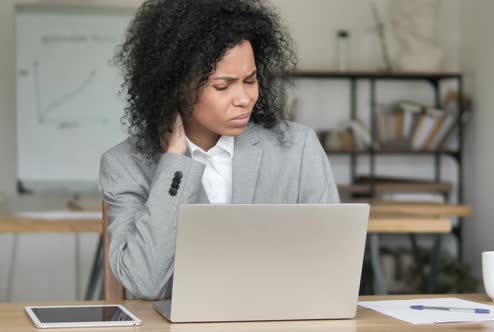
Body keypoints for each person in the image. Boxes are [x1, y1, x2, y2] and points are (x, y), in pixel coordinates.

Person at [99, 0, 339, 300]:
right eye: (223, 86)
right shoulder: (124, 165)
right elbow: (145, 284)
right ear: (176, 87)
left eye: (250, 81)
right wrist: (175, 162)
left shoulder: (297, 148)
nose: (244, 98)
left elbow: (333, 262)